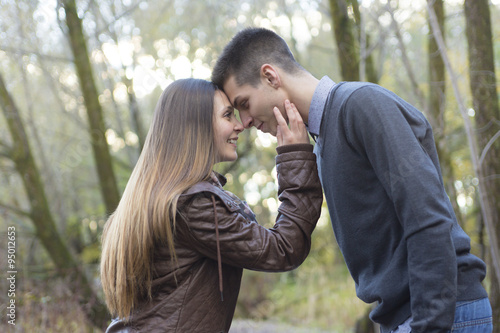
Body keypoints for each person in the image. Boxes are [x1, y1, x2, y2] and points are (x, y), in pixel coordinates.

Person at [211, 27, 492, 333]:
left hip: (445, 314)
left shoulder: (360, 105)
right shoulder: (322, 139)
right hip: (410, 317)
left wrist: (429, 324)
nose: (246, 122)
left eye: (244, 104)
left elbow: (428, 217)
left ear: (270, 76)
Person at [100, 78, 323, 332]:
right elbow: (283, 249)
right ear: (196, 126)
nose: (239, 125)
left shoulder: (161, 199)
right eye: (228, 115)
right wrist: (295, 156)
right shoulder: (192, 205)